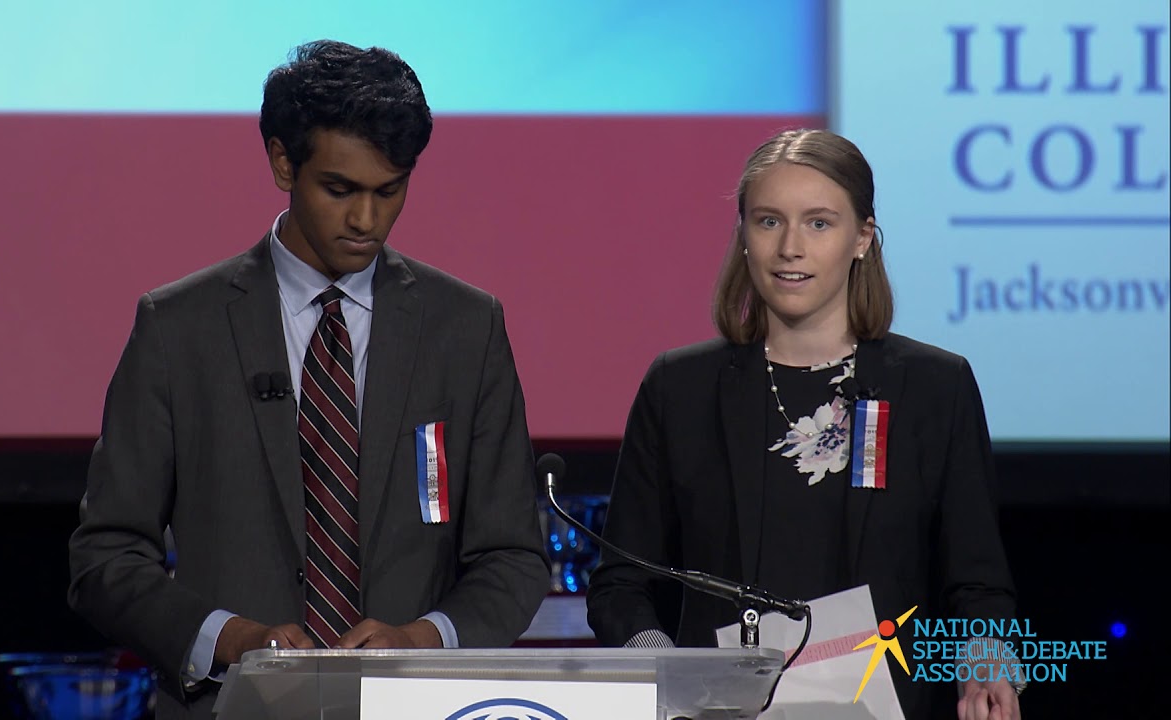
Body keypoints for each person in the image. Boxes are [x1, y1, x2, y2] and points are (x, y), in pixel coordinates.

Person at [68, 40, 550, 718]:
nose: (366, 220)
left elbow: (513, 559)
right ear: (282, 162)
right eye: (340, 190)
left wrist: (421, 642)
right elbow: (105, 558)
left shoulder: (466, 330)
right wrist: (230, 640)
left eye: (389, 191)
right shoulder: (178, 329)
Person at [586, 129, 1021, 719]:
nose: (790, 247)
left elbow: (977, 583)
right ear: (744, 236)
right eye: (769, 222)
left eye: (819, 223)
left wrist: (986, 663)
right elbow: (620, 587)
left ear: (862, 237)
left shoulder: (934, 387)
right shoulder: (679, 389)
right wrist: (670, 672)